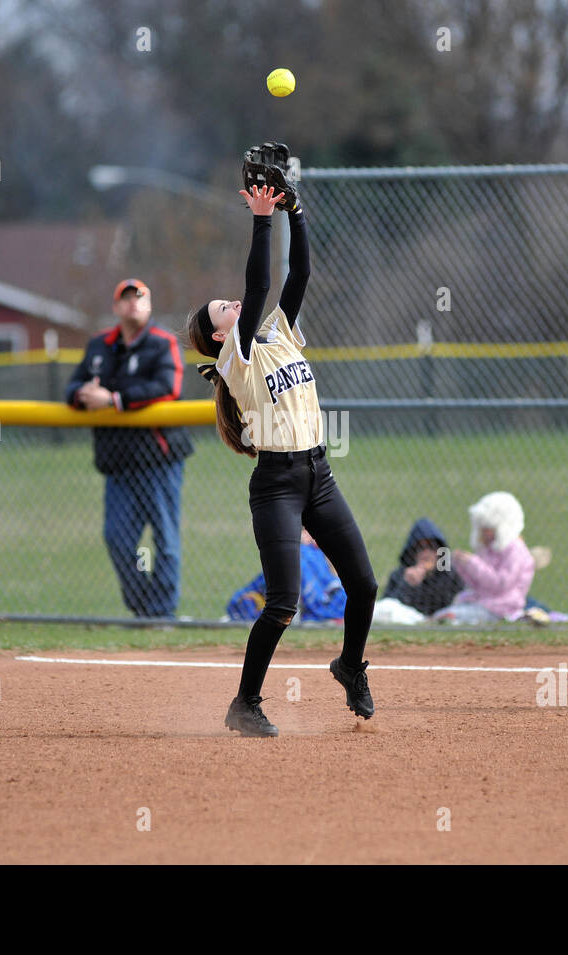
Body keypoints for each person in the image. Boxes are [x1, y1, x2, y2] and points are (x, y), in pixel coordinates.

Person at [189, 181, 378, 737]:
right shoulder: (236, 353)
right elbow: (262, 278)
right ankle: (244, 704)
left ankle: (350, 665)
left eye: (230, 301)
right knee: (283, 604)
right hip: (276, 484)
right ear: (218, 333)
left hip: (319, 475)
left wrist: (296, 212)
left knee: (363, 586)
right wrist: (261, 218)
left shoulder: (277, 335)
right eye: (225, 308)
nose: (236, 302)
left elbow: (297, 278)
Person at [65, 279, 193, 618]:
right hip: (118, 461)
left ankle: (162, 614)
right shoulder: (99, 346)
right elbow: (72, 386)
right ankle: (144, 612)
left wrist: (115, 398)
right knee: (118, 539)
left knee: (165, 541)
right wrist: (83, 396)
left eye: (140, 297)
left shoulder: (162, 342)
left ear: (149, 305)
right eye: (126, 298)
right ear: (116, 307)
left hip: (159, 458)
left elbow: (169, 386)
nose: (133, 303)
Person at [432, 492, 536, 624]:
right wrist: (462, 564)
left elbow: (500, 583)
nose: (483, 532)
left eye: (488, 528)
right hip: (481, 603)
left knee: (447, 617)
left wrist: (472, 563)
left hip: (501, 608)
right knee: (443, 614)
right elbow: (477, 584)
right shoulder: (489, 549)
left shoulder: (515, 550)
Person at [226, 529, 347, 623]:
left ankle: (294, 613)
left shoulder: (317, 553)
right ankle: (291, 612)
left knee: (301, 558)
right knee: (296, 557)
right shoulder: (302, 547)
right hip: (283, 580)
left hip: (317, 594)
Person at [373, 518, 464, 624]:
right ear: (412, 552)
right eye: (420, 547)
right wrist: (408, 584)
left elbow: (456, 603)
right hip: (409, 618)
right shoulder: (400, 575)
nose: (426, 553)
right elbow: (388, 605)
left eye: (431, 547)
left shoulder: (449, 575)